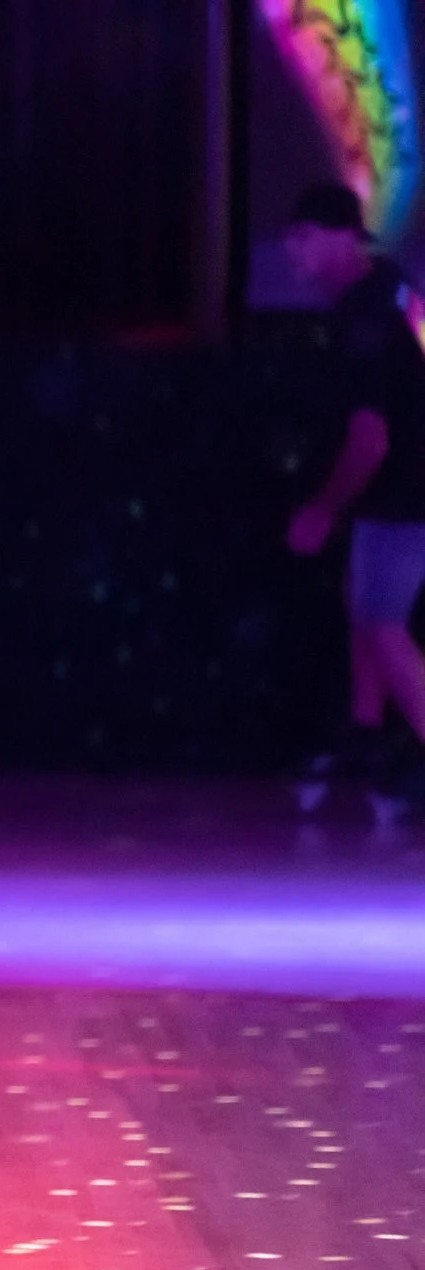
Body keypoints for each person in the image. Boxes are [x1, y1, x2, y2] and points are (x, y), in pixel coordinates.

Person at [283, 181, 425, 806]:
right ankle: (366, 731)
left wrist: (321, 508)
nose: (294, 253)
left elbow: (371, 440)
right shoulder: (386, 292)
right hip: (396, 493)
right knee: (361, 600)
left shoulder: (365, 315)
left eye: (305, 238)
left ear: (343, 236)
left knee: (383, 622)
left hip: (408, 492)